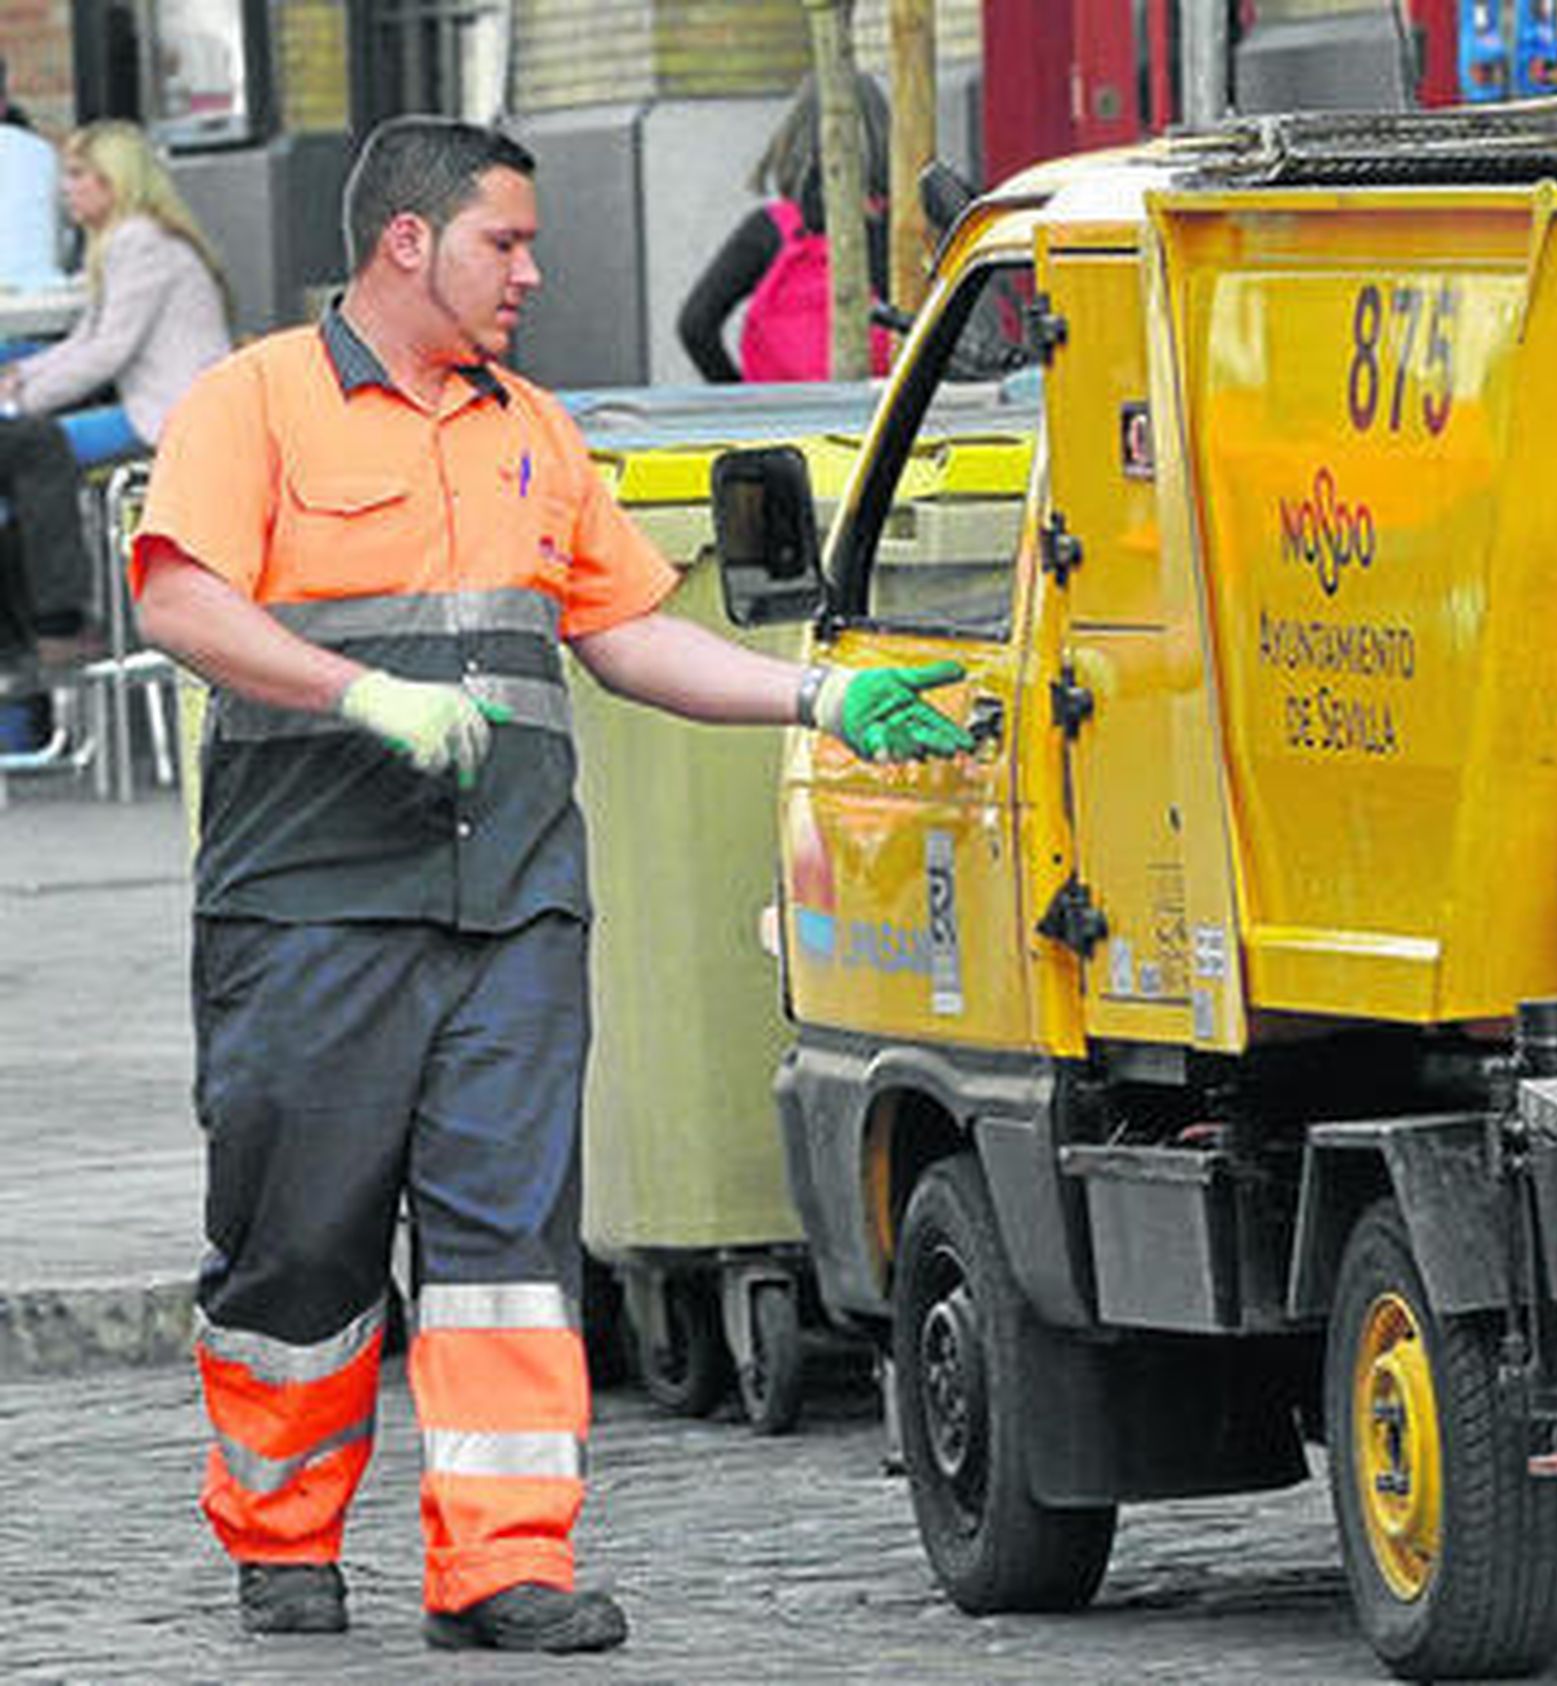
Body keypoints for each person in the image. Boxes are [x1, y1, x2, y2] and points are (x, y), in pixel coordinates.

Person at [130, 115, 969, 1655]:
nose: (529, 271)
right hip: (308, 905)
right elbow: (180, 595)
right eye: (503, 242)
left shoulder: (534, 431)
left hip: (510, 904)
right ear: (408, 241)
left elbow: (628, 632)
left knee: (507, 1253)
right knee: (298, 1240)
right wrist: (356, 692)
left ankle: (501, 1558)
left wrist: (820, 696)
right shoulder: (252, 403)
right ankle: (282, 1534)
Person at [0, 119, 230, 676]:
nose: (65, 189)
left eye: (79, 175)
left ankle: (51, 622)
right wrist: (18, 377)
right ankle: (41, 623)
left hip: (174, 417)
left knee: (36, 447)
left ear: (115, 180)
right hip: (153, 407)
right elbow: (85, 340)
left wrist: (18, 404)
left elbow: (107, 352)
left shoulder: (140, 244)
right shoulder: (124, 241)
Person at [677, 72, 892, 383]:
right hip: (884, 407)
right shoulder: (901, 228)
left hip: (785, 410)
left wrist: (742, 397)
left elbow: (695, 325)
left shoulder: (769, 229)